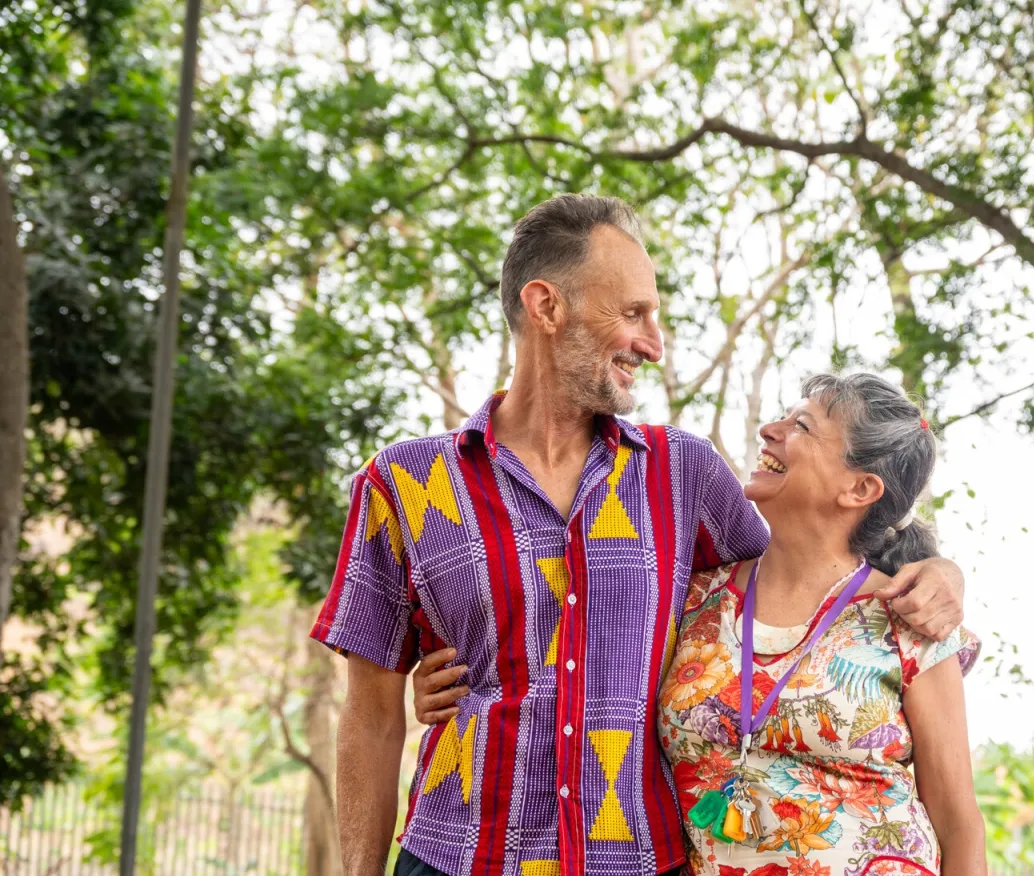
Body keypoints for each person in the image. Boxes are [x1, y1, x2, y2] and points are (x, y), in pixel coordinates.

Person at [311, 194, 967, 876]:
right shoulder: (403, 483)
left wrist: (941, 569)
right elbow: (371, 719)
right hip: (455, 856)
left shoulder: (685, 475)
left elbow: (811, 574)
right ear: (547, 307)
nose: (654, 344)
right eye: (634, 314)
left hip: (637, 861)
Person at [657, 373, 984, 876]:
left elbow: (959, 824)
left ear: (859, 488)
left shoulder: (912, 616)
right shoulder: (692, 598)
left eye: (801, 426)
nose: (770, 429)